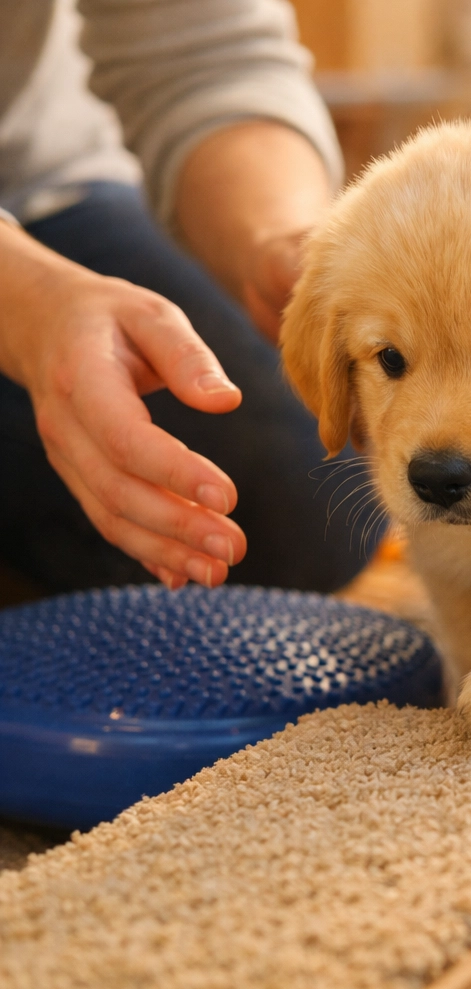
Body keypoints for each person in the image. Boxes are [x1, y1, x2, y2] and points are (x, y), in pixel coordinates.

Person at [0, 0, 382, 596]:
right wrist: (26, 310)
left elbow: (206, 56)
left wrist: (280, 242)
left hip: (35, 187)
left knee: (307, 496)